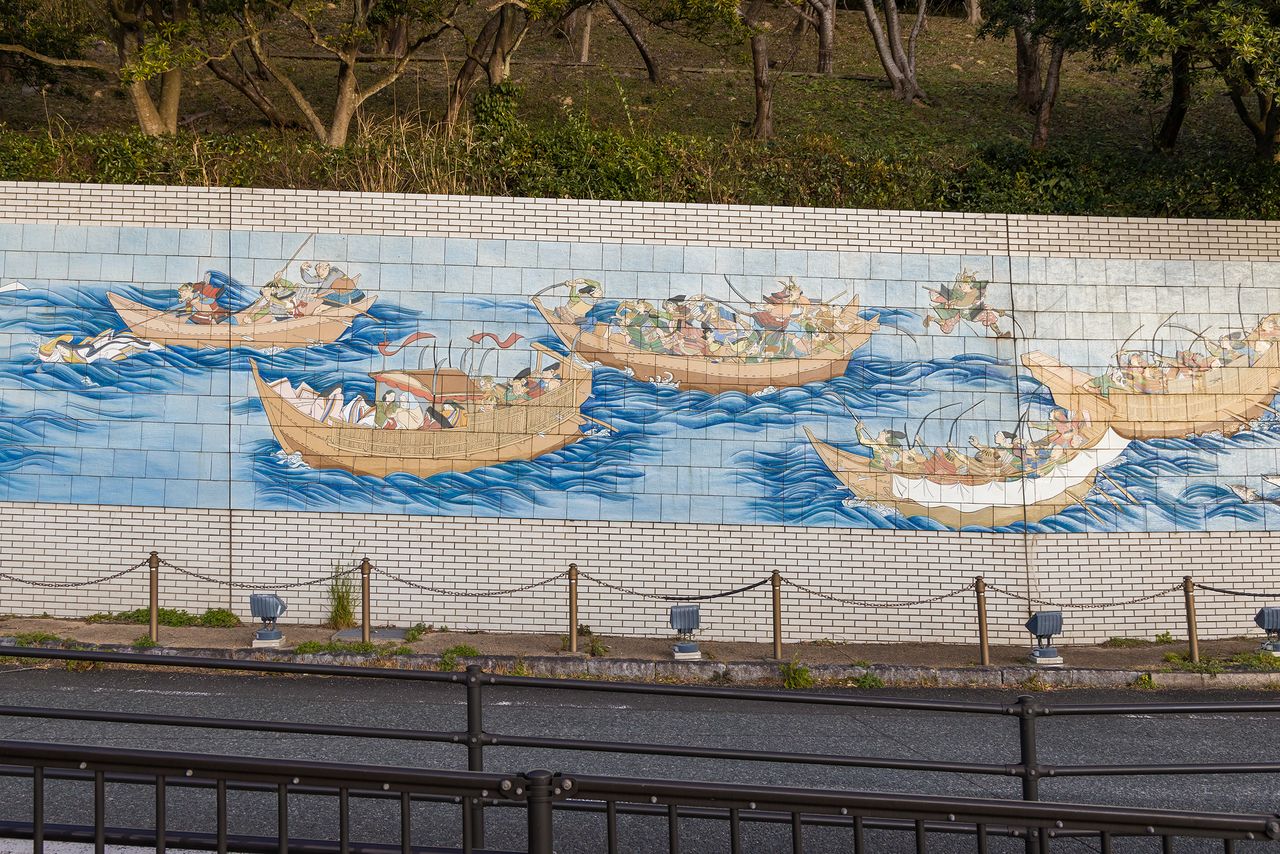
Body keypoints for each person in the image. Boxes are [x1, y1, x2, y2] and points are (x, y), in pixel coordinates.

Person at [301, 261, 366, 308]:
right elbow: (309, 280)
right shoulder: (325, 275)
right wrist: (302, 269)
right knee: (320, 304)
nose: (318, 274)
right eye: (317, 272)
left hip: (353, 295)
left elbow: (325, 285)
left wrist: (316, 294)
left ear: (326, 268)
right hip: (340, 296)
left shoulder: (335, 273)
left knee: (321, 305)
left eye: (320, 271)